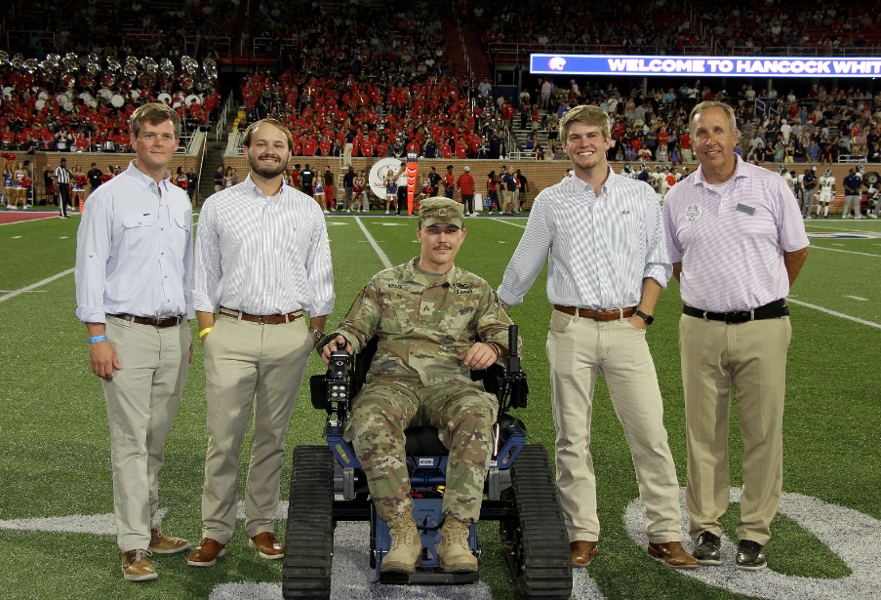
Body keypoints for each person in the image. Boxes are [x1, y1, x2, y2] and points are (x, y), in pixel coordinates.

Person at [498, 104, 699, 571]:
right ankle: (581, 533)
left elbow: (657, 261)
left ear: (608, 140)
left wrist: (643, 317)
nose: (583, 144)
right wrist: (492, 307)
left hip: (628, 328)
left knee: (649, 433)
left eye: (592, 136)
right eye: (575, 138)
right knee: (573, 437)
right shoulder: (551, 200)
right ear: (564, 145)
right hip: (569, 327)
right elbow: (525, 263)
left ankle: (665, 533)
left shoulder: (642, 194)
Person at [319, 198, 516, 575]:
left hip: (453, 386)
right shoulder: (386, 283)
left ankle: (455, 535)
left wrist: (491, 347)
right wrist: (340, 341)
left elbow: (507, 336)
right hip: (394, 383)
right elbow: (356, 328)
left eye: (450, 231)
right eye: (434, 231)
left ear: (461, 236)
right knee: (370, 415)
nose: (442, 239)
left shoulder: (476, 289)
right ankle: (403, 531)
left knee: (477, 412)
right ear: (420, 234)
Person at [663, 101, 809, 571]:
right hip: (700, 326)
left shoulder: (769, 185)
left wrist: (762, 296)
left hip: (762, 326)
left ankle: (754, 533)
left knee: (763, 432)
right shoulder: (677, 195)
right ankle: (706, 528)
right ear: (691, 140)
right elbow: (677, 263)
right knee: (702, 433)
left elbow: (796, 250)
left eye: (718, 130)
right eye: (701, 132)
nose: (710, 140)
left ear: (735, 136)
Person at [189, 118, 334, 568]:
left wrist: (312, 330)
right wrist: (209, 332)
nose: (269, 151)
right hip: (231, 330)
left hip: (290, 333)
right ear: (246, 150)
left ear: (290, 154)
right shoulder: (218, 205)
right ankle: (215, 531)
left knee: (272, 437)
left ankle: (262, 524)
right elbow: (202, 274)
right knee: (224, 437)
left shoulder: (308, 208)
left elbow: (321, 275)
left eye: (278, 145)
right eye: (261, 144)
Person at [74, 103, 195, 582]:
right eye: (150, 135)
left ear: (175, 142)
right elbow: (89, 269)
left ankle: (150, 525)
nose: (159, 142)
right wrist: (97, 336)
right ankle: (132, 545)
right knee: (130, 441)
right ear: (134, 140)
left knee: (155, 440)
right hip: (124, 332)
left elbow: (183, 271)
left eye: (167, 135)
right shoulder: (108, 198)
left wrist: (186, 328)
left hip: (172, 333)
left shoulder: (181, 199)